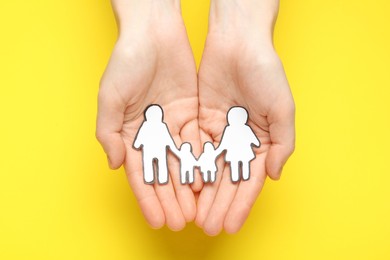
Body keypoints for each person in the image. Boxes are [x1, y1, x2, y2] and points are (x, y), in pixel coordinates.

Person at [96, 0, 295, 235]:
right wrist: (147, 17)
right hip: (158, 150)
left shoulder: (228, 129)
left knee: (158, 167)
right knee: (154, 168)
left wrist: (245, 20)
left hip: (204, 152)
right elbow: (167, 142)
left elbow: (201, 143)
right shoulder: (158, 128)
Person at [133, 105, 180, 184]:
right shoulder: (161, 125)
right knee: (161, 163)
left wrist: (137, 144)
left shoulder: (147, 125)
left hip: (150, 149)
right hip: (158, 149)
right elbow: (168, 139)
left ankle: (149, 178)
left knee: (149, 163)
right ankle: (162, 179)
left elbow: (140, 136)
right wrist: (174, 149)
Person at [216, 107, 260, 182]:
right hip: (243, 151)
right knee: (241, 163)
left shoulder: (231, 129)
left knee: (237, 163)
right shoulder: (240, 128)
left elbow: (224, 142)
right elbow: (224, 142)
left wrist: (218, 150)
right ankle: (240, 176)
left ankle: (238, 176)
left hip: (234, 152)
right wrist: (256, 142)